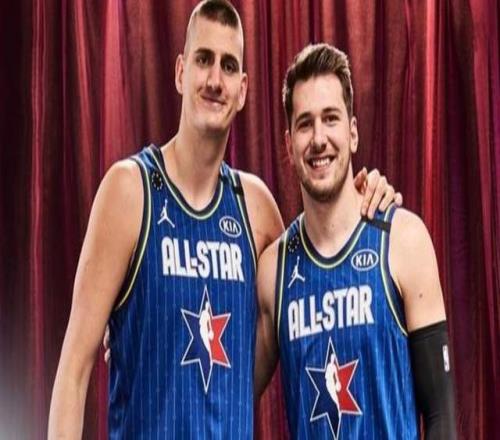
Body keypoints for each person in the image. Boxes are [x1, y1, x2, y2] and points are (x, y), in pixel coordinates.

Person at [48, 1, 400, 438]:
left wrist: (363, 196)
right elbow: (74, 369)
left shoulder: (256, 209)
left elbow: (324, 268)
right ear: (180, 72)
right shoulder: (129, 191)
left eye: (229, 66)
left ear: (243, 89)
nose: (215, 80)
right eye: (203, 60)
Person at [255, 43, 456, 439]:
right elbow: (225, 394)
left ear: (352, 133)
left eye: (330, 118)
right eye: (305, 124)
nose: (318, 139)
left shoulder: (404, 241)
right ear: (288, 145)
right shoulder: (274, 270)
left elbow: (441, 418)